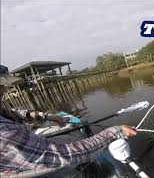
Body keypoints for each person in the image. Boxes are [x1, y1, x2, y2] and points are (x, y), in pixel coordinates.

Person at [0, 65, 137, 177]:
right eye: (1, 85)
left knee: (78, 130)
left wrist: (45, 116)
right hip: (29, 170)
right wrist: (115, 132)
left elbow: (9, 112)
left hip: (23, 157)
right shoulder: (4, 131)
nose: (5, 89)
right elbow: (62, 155)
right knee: (79, 163)